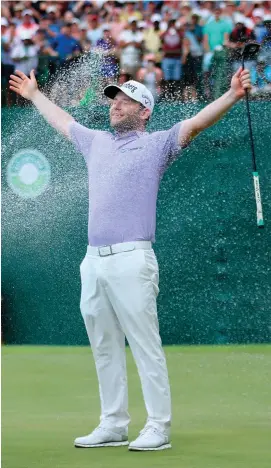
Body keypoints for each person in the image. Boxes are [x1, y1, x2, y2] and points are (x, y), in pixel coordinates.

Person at [9, 64, 251, 451]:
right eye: (114, 99)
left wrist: (233, 95)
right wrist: (36, 95)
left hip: (132, 259)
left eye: (126, 100)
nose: (116, 105)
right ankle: (113, 423)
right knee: (104, 346)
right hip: (93, 261)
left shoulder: (158, 143)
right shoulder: (95, 143)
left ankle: (158, 426)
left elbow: (197, 122)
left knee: (144, 345)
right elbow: (64, 120)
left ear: (145, 111)